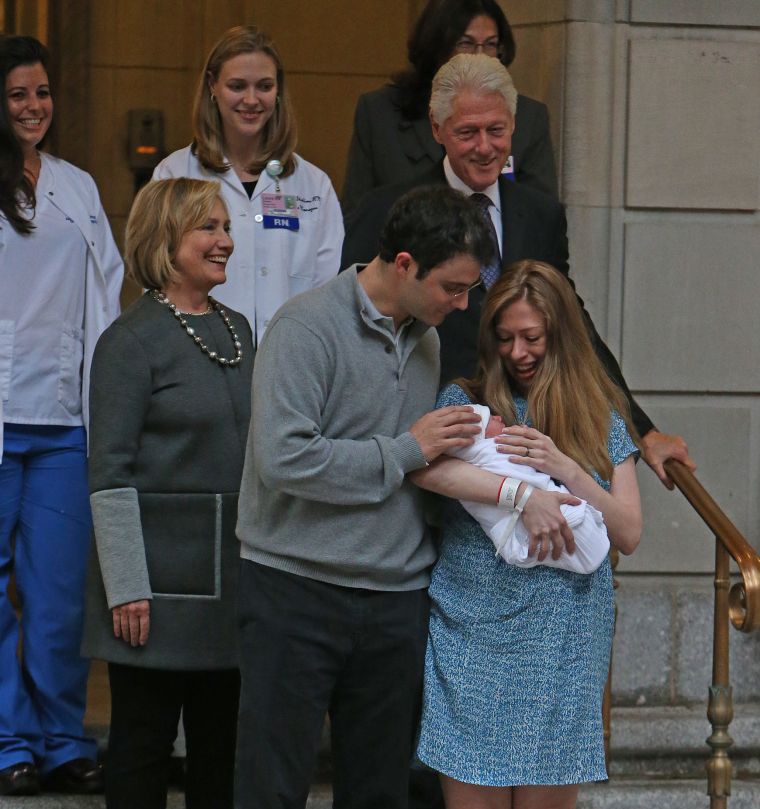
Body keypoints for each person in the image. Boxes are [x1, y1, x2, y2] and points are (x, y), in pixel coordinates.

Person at [231, 186, 496, 809]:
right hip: (293, 590)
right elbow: (284, 459)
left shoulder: (428, 342)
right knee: (271, 806)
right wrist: (404, 450)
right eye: (452, 287)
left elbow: (415, 463)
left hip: (393, 600)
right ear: (404, 263)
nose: (462, 305)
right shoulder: (304, 328)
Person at [341, 53, 694, 488]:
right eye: (467, 132)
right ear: (437, 129)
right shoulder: (386, 210)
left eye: (497, 130)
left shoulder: (540, 213)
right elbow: (355, 326)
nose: (485, 147)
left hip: (528, 438)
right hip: (427, 446)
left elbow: (572, 324)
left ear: (514, 123)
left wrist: (643, 429)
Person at [412, 260, 642, 809]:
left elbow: (628, 530)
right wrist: (518, 489)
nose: (518, 352)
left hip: (565, 632)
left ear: (560, 335)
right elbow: (424, 468)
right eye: (506, 337)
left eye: (533, 338)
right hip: (473, 627)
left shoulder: (601, 415)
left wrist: (564, 467)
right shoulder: (465, 400)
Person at [82, 178, 254, 809]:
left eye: (224, 225)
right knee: (143, 750)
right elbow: (110, 469)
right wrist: (127, 582)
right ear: (164, 242)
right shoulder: (129, 341)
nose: (223, 240)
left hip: (231, 576)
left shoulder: (241, 329)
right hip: (151, 581)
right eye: (205, 229)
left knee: (221, 754)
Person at [0, 35, 122, 797]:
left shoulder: (77, 186)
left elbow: (107, 296)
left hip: (63, 424)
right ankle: (7, 736)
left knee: (56, 596)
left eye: (41, 93)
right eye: (16, 95)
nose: (32, 107)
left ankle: (61, 738)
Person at [153, 25, 343, 344]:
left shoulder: (313, 184)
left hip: (289, 361)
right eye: (237, 86)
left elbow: (326, 294)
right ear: (213, 85)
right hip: (199, 356)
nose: (251, 100)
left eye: (264, 86)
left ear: (278, 90)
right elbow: (156, 281)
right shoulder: (173, 174)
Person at [341, 0, 557, 214]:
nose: (479, 55)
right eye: (466, 43)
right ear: (437, 47)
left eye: (491, 44)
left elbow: (540, 220)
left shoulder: (529, 117)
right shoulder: (381, 113)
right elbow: (356, 217)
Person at [448, 405, 610, 574]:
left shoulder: (604, 414)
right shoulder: (486, 448)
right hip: (513, 540)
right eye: (490, 418)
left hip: (586, 582)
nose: (499, 418)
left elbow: (629, 536)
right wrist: (525, 497)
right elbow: (428, 468)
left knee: (584, 541)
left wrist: (569, 470)